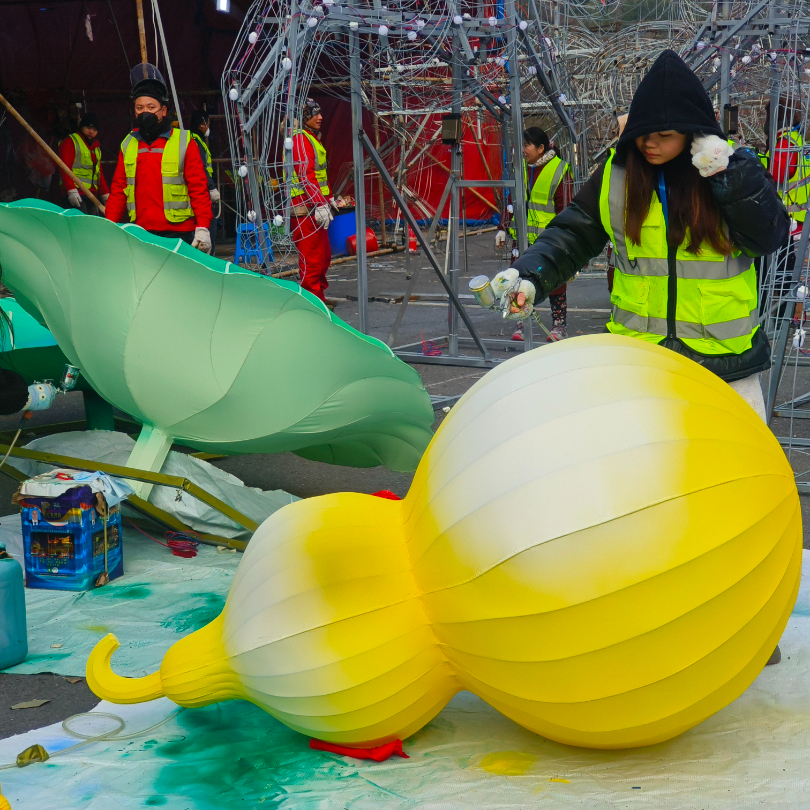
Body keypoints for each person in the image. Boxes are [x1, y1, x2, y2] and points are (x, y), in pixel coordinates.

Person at [506, 51, 788, 664]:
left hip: (726, 368)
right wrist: (529, 274)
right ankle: (652, 619)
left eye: (666, 133)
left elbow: (771, 235)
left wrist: (725, 173)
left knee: (737, 505)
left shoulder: (728, 168)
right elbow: (573, 233)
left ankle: (748, 622)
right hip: (643, 373)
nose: (651, 143)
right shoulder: (618, 172)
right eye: (644, 132)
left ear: (693, 130)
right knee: (643, 502)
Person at [104, 66, 212, 251]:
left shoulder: (184, 142)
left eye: (151, 107)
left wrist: (203, 227)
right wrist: (109, 226)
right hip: (141, 232)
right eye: (139, 108)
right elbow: (119, 190)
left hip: (178, 233)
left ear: (163, 110)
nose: (145, 112)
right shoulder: (128, 143)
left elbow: (198, 188)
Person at [496, 127, 573, 342]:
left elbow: (565, 208)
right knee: (517, 281)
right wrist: (502, 228)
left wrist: (564, 239)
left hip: (549, 241)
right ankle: (522, 324)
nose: (523, 149)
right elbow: (511, 200)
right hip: (522, 240)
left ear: (541, 149)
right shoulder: (521, 169)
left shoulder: (559, 170)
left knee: (555, 282)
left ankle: (559, 326)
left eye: (527, 145)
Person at [290, 98, 337, 306]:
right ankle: (314, 304)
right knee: (312, 259)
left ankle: (319, 298)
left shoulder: (309, 138)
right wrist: (320, 202)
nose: (320, 117)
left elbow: (318, 176)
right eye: (315, 113)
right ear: (305, 117)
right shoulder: (301, 140)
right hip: (305, 209)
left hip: (313, 208)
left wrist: (328, 199)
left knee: (323, 256)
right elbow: (305, 175)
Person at [58, 112, 109, 214]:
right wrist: (71, 190)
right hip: (75, 193)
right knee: (80, 221)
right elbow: (65, 168)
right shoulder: (71, 142)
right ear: (81, 127)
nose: (91, 132)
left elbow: (99, 174)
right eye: (88, 128)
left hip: (91, 195)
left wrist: (105, 194)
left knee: (93, 222)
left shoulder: (96, 148)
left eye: (94, 129)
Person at [190, 109, 221, 254]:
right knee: (208, 230)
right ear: (202, 125)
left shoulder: (192, 139)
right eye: (208, 123)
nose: (208, 126)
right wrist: (211, 187)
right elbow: (201, 167)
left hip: (199, 189)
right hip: (202, 190)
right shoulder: (196, 142)